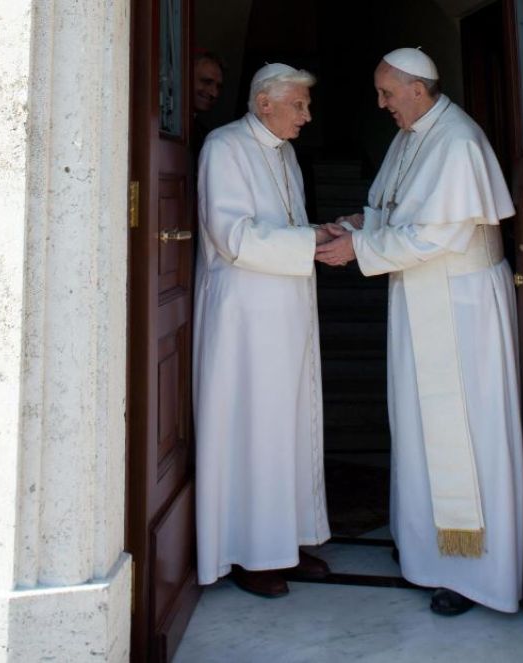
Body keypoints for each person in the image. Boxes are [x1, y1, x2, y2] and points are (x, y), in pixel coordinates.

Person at [316, 48, 523, 616]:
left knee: (465, 429)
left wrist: (356, 248)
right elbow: (402, 213)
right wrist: (360, 223)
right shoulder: (413, 136)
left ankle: (475, 572)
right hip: (421, 296)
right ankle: (427, 550)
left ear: (415, 88)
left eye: (387, 93)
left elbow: (438, 237)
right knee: (416, 425)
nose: (381, 104)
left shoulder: (457, 141)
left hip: (461, 306)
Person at [194, 62, 335, 598]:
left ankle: (287, 543)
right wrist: (311, 243)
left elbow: (289, 228)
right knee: (254, 431)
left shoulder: (287, 153)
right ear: (263, 104)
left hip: (288, 310)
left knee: (291, 428)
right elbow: (233, 235)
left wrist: (318, 234)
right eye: (298, 105)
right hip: (246, 321)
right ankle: (251, 554)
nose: (306, 115)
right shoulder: (225, 148)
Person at [191, 51, 225, 157]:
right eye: (207, 82)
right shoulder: (159, 121)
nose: (214, 93)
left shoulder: (205, 135)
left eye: (218, 87)